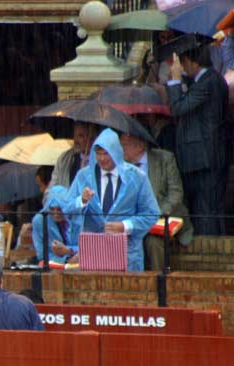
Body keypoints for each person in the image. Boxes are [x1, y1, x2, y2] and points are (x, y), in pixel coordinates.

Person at [64, 128, 160, 272]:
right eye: (98, 153)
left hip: (127, 255)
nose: (102, 159)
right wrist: (81, 201)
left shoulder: (137, 177)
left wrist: (125, 226)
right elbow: (66, 209)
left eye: (106, 154)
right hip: (93, 253)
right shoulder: (83, 177)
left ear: (116, 152)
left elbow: (151, 213)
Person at [166, 37, 229, 235]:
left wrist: (175, 80)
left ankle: (211, 256)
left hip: (207, 158)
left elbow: (178, 107)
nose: (181, 69)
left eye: (182, 64)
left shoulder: (210, 81)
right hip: (200, 159)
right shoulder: (203, 81)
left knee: (207, 211)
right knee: (204, 210)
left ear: (190, 61)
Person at [119, 133, 193, 271]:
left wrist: (155, 213)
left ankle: (159, 283)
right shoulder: (121, 167)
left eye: (124, 145)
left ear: (140, 146)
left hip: (161, 217)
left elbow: (176, 193)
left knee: (153, 242)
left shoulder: (164, 159)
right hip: (134, 221)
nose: (120, 149)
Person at [30, 185, 79, 265]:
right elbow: (42, 255)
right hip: (52, 266)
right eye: (52, 209)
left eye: (60, 209)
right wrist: (66, 260)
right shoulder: (40, 221)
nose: (56, 214)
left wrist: (68, 250)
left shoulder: (76, 217)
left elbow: (86, 248)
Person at [48, 122, 98, 193]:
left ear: (92, 138)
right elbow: (49, 192)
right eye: (75, 136)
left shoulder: (101, 161)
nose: (76, 140)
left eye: (81, 136)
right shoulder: (64, 159)